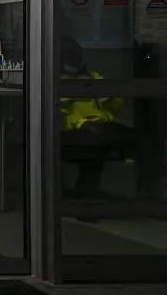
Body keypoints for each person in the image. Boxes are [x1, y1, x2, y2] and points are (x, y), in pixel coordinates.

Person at [60, 36, 164, 202]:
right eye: (70, 55)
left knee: (148, 144)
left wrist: (112, 98)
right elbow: (56, 115)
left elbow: (115, 107)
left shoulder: (93, 77)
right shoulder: (54, 81)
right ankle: (87, 201)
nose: (75, 59)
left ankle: (149, 198)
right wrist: (82, 123)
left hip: (106, 125)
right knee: (92, 147)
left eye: (77, 55)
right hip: (74, 129)